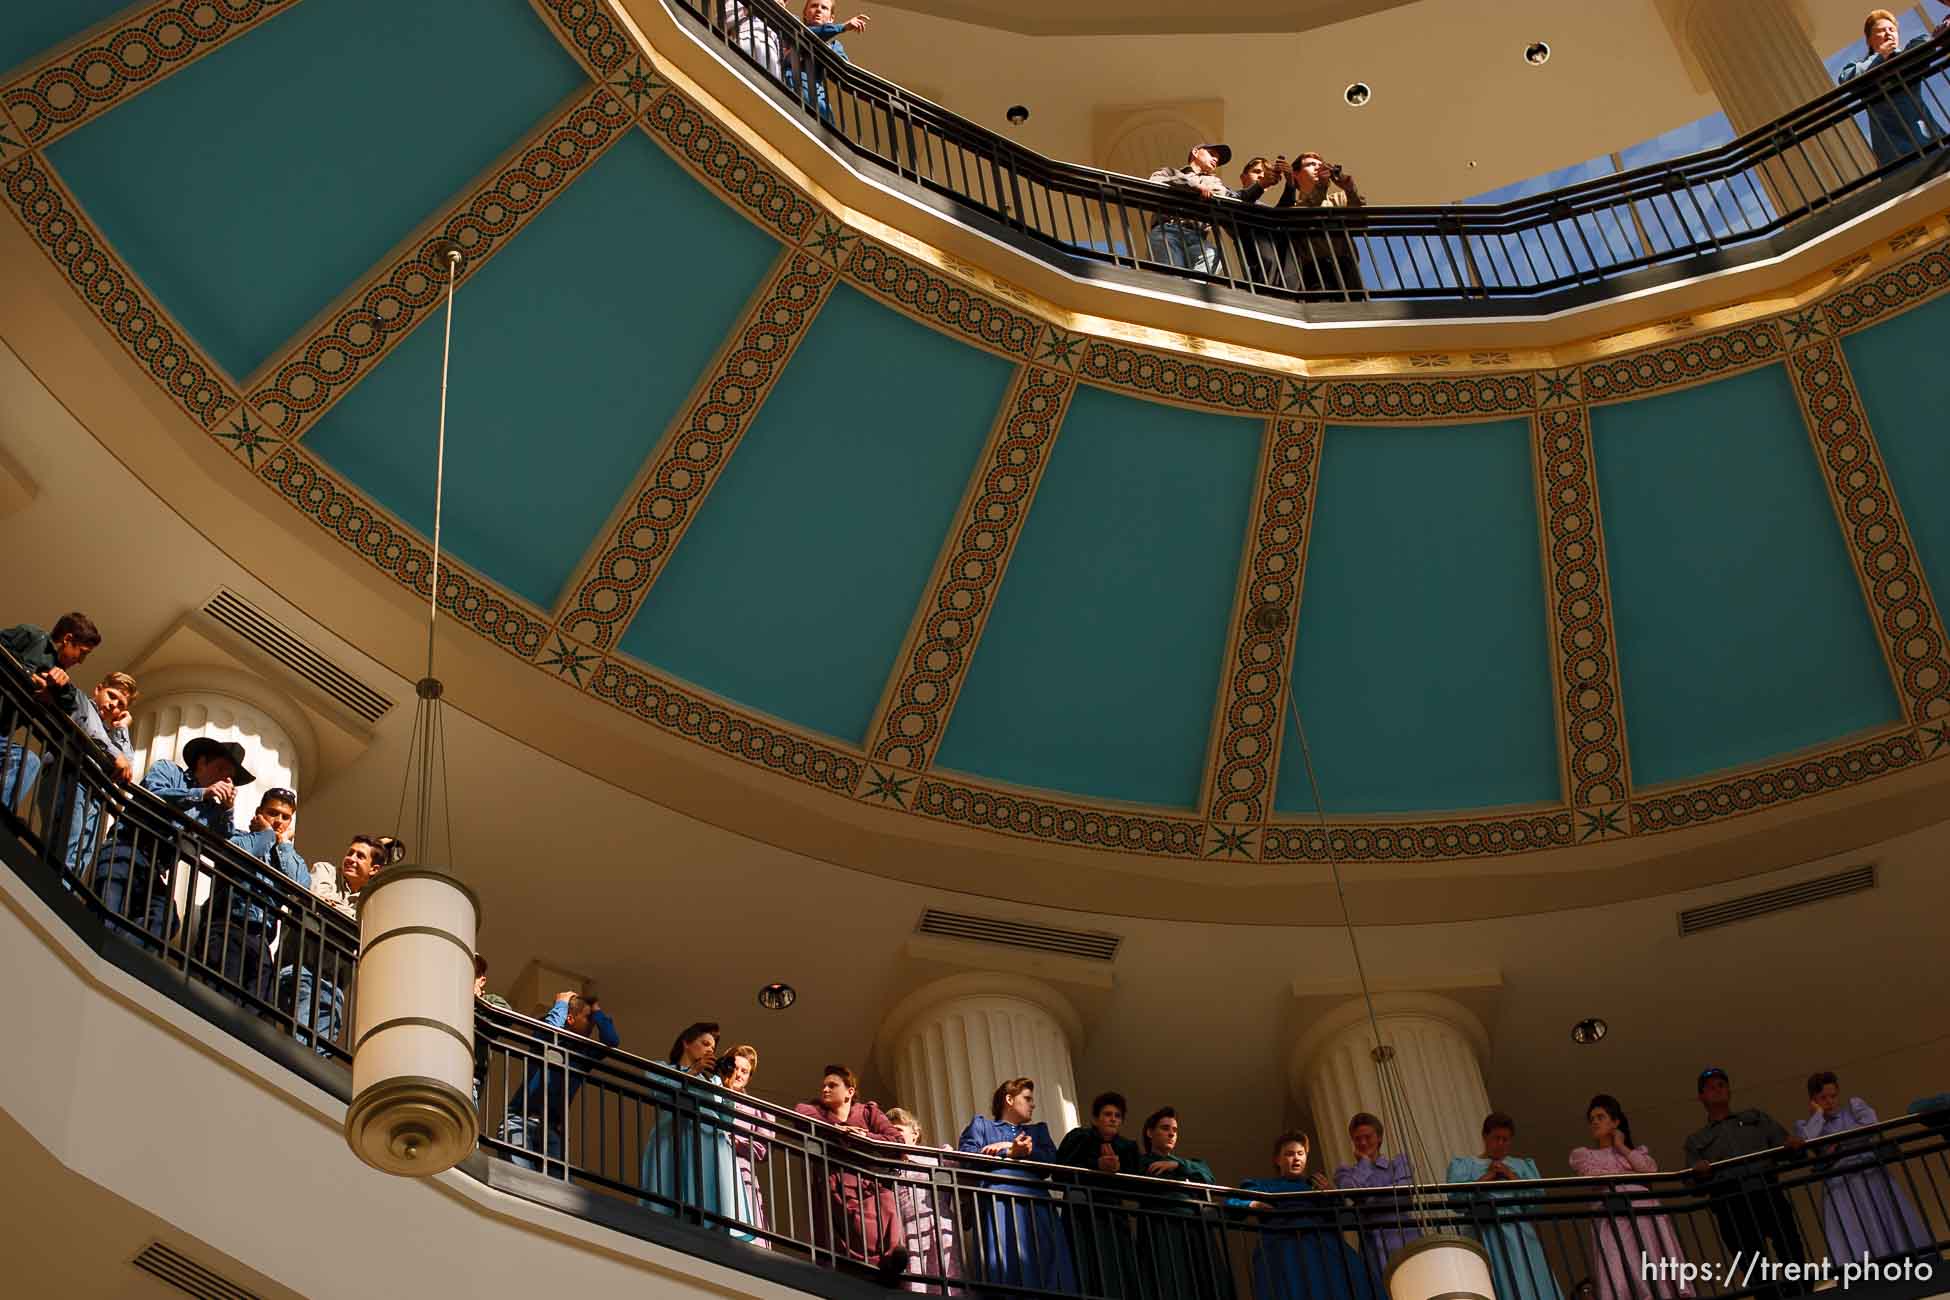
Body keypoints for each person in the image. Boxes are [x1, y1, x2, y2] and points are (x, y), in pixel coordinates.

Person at [99, 736, 246, 940]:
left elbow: (222, 842)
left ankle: (123, 953)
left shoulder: (212, 810)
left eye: (230, 778)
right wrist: (201, 793)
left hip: (153, 870)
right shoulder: (168, 770)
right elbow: (154, 792)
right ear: (201, 763)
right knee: (107, 912)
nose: (224, 780)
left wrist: (227, 810)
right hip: (126, 849)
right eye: (221, 769)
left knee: (166, 918)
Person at [1684, 1068, 1807, 1295]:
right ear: (1701, 1097)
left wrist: (1794, 1145)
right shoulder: (1696, 1140)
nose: (1717, 1089)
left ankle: (1801, 1293)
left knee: (1791, 1251)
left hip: (1767, 1190)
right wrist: (1699, 1174)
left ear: (1729, 1091)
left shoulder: (1755, 1118)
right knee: (1754, 1267)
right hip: (1732, 1203)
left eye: (1721, 1084)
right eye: (1710, 1087)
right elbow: (1692, 1186)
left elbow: (1787, 1147)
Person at [1795, 1071, 1928, 1263]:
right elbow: (1809, 1141)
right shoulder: (1806, 1125)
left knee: (1885, 1216)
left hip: (1871, 1174)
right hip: (1841, 1183)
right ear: (1813, 1100)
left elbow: (1871, 1127)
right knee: (1853, 1226)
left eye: (1833, 1096)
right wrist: (1818, 1115)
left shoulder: (1853, 1109)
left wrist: (1838, 1146)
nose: (1830, 1101)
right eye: (1822, 1098)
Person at [958, 1077, 1075, 1292]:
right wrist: (1008, 1151)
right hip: (998, 1202)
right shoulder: (982, 1125)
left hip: (1038, 1204)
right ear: (1009, 1099)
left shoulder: (1038, 1131)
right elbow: (966, 1158)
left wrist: (1022, 1153)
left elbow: (1052, 1162)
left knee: (1046, 1261)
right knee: (1004, 1261)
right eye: (1027, 1098)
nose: (1033, 1104)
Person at [1570, 1094, 1692, 1300]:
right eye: (1592, 1119)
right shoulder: (1584, 1154)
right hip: (1612, 1219)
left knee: (1651, 1261)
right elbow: (1592, 1176)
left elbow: (1649, 1170)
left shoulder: (1632, 1152)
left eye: (1600, 1117)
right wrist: (1630, 1176)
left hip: (1644, 1216)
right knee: (1620, 1268)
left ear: (1616, 1122)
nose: (1595, 1122)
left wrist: (1621, 1146)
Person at [794, 1064, 911, 1280]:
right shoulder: (816, 1110)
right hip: (837, 1185)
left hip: (870, 1184)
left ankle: (889, 1259)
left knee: (886, 1202)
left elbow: (897, 1140)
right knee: (852, 1228)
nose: (825, 1090)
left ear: (849, 1091)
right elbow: (800, 1114)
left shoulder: (868, 1112)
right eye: (823, 1086)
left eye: (832, 1085)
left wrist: (864, 1137)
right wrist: (838, 1130)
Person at [1232, 1130, 1376, 1300]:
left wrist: (1332, 1195)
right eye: (1289, 1154)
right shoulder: (1263, 1185)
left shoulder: (1315, 1185)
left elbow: (1339, 1217)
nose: (1296, 1158)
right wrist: (1252, 1204)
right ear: (1277, 1160)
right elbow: (1233, 1202)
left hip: (1323, 1248)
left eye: (1300, 1153)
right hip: (1284, 1249)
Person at [502, 991, 619, 1175]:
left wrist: (596, 1010)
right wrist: (561, 1004)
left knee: (558, 1191)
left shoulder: (583, 1055)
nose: (593, 1025)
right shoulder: (545, 1035)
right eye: (589, 1018)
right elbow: (549, 1031)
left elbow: (611, 1040)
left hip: (552, 1129)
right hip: (520, 1120)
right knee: (522, 1179)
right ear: (570, 1019)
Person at [642, 1022, 743, 1234]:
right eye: (705, 1043)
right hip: (675, 1140)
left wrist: (727, 1088)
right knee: (672, 1199)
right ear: (686, 1043)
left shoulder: (714, 1081)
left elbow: (726, 1119)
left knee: (711, 1206)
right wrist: (692, 1072)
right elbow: (658, 1092)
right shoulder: (664, 1068)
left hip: (710, 1146)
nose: (710, 1050)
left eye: (713, 1048)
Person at [1447, 1112, 1561, 1300]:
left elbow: (1536, 1204)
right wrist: (1487, 1177)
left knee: (1526, 1286)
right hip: (1483, 1234)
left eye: (1506, 1139)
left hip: (1519, 1236)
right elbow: (1456, 1201)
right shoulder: (1466, 1165)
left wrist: (1511, 1176)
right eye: (1496, 1138)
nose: (1501, 1144)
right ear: (1485, 1137)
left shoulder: (1521, 1165)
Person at [213, 786, 311, 1004]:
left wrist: (284, 843)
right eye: (273, 813)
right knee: (221, 1003)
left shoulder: (286, 859)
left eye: (285, 817)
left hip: (262, 942)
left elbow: (302, 886)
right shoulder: (240, 837)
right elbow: (232, 854)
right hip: (229, 929)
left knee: (254, 1016)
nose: (278, 821)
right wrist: (265, 835)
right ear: (259, 812)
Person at [1, 612, 101, 811]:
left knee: (27, 761)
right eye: (82, 652)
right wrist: (27, 676)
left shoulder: (61, 678)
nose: (81, 660)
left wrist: (58, 690)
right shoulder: (32, 635)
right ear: (68, 639)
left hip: (2, 735)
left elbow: (71, 706)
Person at [1135, 1106, 1230, 1300]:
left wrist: (1178, 1164)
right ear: (1150, 1132)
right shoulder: (1141, 1162)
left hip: (1195, 1229)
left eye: (1174, 1130)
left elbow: (1208, 1177)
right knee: (1171, 1280)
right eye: (1165, 1128)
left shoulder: (1188, 1164)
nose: (1171, 1133)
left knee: (1204, 1281)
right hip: (1163, 1227)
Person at [1055, 1091, 1143, 1296]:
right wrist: (1096, 1166)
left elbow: (1136, 1187)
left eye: (1118, 1115)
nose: (1113, 1119)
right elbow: (1060, 1172)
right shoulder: (1079, 1138)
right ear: (1095, 1118)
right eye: (1107, 1114)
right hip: (1082, 1214)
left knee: (1116, 1267)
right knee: (1085, 1262)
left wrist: (1118, 1171)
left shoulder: (1127, 1147)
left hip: (1112, 1216)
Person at [50, 670, 136, 876]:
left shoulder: (111, 734)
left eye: (121, 704)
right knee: (67, 844)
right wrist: (116, 755)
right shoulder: (81, 700)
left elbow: (127, 766)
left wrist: (122, 728)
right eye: (112, 695)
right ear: (98, 689)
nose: (114, 704)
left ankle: (64, 891)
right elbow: (89, 731)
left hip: (94, 793)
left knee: (81, 854)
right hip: (72, 776)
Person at [1837, 9, 1949, 166]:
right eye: (1881, 31)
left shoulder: (1908, 53)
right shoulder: (1858, 67)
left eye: (1892, 30)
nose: (1889, 34)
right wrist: (1881, 55)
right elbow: (1848, 79)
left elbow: (1920, 50)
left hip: (1930, 141)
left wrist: (1934, 39)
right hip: (1894, 153)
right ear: (1869, 40)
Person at [1334, 1112, 1418, 1288]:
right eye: (1357, 1139)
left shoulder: (1398, 1163)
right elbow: (1348, 1190)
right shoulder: (1345, 1172)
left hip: (1405, 1236)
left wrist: (1367, 1198)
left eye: (1368, 1137)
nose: (1363, 1143)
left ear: (1379, 1138)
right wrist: (1364, 1164)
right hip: (1373, 1243)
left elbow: (1405, 1195)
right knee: (1382, 1288)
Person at [888, 1106, 961, 1294]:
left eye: (898, 1130)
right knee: (914, 1281)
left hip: (936, 1228)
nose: (894, 1136)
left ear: (915, 1133)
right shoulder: (889, 1169)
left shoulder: (934, 1158)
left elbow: (958, 1171)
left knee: (944, 1278)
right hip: (906, 1232)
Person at [1274, 152, 1367, 298]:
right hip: (1316, 271)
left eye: (1320, 164)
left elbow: (1361, 222)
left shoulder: (1339, 198)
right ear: (1296, 174)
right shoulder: (1293, 207)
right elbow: (1305, 214)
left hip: (1348, 270)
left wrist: (1350, 189)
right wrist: (1321, 187)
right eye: (1311, 164)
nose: (1318, 167)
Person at [1147, 143, 1236, 273]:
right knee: (1174, 277)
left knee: (1213, 255)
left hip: (1198, 237)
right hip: (1168, 231)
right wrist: (1193, 186)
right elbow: (1155, 181)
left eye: (1218, 159)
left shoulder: (1215, 181)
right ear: (1195, 152)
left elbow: (1222, 193)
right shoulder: (1170, 172)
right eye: (1212, 154)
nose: (1216, 159)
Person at [718, 1044, 772, 1248]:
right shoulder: (711, 1091)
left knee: (748, 1238)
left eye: (745, 1071)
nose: (739, 1074)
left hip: (741, 1173)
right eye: (736, 1068)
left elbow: (761, 1148)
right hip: (713, 1166)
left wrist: (735, 1141)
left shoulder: (754, 1108)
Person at [784, 0, 869, 125]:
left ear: (831, 18)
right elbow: (809, 36)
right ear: (805, 14)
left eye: (824, 8)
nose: (818, 10)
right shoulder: (794, 23)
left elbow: (845, 72)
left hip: (819, 102)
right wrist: (842, 27)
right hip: (791, 89)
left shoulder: (834, 45)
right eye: (814, 6)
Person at [722, 0, 786, 82]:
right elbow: (723, 19)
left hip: (770, 50)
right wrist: (755, 7)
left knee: (768, 89)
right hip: (746, 37)